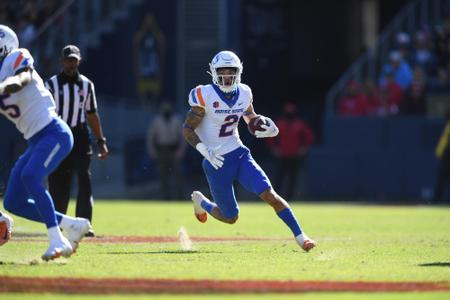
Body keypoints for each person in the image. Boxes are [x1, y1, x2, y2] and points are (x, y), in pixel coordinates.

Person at [182, 50, 316, 251]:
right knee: (230, 217)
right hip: (215, 160)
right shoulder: (204, 95)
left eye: (231, 71)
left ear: (238, 72)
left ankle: (301, 237)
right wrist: (203, 149)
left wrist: (263, 125)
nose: (227, 76)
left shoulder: (244, 92)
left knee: (270, 194)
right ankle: (202, 203)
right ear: (214, 72)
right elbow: (187, 128)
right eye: (222, 71)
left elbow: (249, 116)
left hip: (239, 154)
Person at [0, 25, 91, 261]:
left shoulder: (15, 56)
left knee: (30, 176)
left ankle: (56, 239)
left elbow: (24, 76)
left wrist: (4, 87)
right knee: (13, 201)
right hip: (35, 140)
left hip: (54, 132)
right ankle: (72, 224)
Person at [45, 45, 108, 237]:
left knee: (84, 179)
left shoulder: (87, 85)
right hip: (58, 135)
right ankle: (59, 223)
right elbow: (44, 114)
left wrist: (101, 140)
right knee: (59, 182)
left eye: (74, 60)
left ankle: (84, 224)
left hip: (80, 136)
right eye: (68, 60)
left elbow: (92, 114)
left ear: (79, 61)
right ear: (61, 61)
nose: (71, 64)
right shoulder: (51, 84)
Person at [267, 103, 314, 200]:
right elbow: (271, 137)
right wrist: (274, 148)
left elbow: (309, 137)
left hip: (295, 155)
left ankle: (289, 197)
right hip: (282, 155)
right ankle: (275, 196)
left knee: (293, 177)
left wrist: (304, 148)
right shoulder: (280, 123)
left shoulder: (299, 124)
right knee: (279, 177)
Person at [147, 101, 186, 200]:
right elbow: (151, 137)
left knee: (177, 174)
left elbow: (183, 136)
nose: (166, 112)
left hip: (174, 149)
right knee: (163, 174)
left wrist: (181, 150)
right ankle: (165, 196)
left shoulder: (177, 120)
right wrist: (152, 150)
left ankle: (179, 195)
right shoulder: (157, 121)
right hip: (162, 150)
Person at [433, 111, 450, 204]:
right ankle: (437, 199)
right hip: (446, 156)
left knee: (442, 177)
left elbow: (445, 139)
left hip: (447, 156)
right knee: (442, 178)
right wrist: (439, 152)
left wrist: (439, 153)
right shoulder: (448, 125)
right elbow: (444, 139)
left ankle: (437, 198)